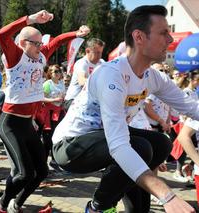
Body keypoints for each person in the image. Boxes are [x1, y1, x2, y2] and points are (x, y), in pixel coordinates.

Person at [52, 5, 196, 213]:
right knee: (140, 147)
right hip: (70, 146)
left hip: (106, 140)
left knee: (160, 143)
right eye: (163, 33)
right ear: (139, 37)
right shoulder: (111, 75)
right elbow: (119, 145)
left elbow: (191, 107)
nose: (170, 40)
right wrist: (167, 195)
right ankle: (97, 208)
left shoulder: (153, 77)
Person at [0, 10, 90, 213]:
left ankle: (15, 203)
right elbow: (2, 35)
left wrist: (77, 34)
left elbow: (59, 40)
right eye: (35, 43)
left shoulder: (41, 55)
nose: (40, 46)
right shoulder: (15, 55)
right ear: (23, 43)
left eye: (40, 43)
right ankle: (0, 203)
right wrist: (31, 19)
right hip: (9, 123)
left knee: (42, 171)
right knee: (23, 174)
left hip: (27, 124)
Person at [64, 38, 105, 111]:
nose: (100, 56)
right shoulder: (82, 63)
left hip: (88, 100)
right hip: (73, 99)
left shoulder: (102, 63)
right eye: (97, 52)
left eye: (101, 52)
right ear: (87, 51)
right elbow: (82, 81)